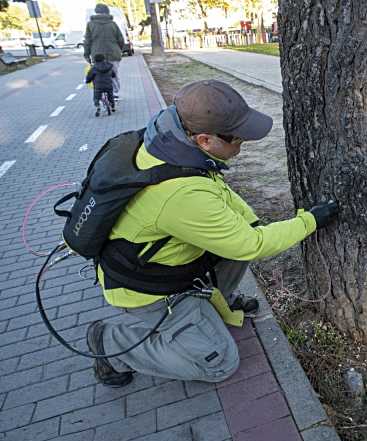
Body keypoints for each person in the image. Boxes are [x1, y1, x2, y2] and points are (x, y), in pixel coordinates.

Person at [86, 79, 338, 387]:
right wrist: (310, 221)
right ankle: (111, 344)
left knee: (238, 237)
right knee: (219, 363)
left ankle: (218, 302)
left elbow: (217, 193)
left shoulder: (172, 143)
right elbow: (252, 245)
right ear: (205, 139)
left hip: (164, 259)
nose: (241, 145)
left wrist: (251, 221)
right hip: (148, 289)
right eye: (236, 139)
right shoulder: (181, 195)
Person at [83, 4, 124, 98]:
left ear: (96, 12)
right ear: (107, 12)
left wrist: (86, 54)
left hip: (97, 56)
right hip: (113, 54)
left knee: (98, 74)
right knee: (113, 73)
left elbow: (87, 41)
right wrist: (119, 50)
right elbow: (121, 39)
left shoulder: (90, 24)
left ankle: (101, 94)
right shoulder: (113, 24)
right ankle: (114, 92)